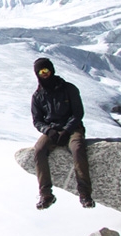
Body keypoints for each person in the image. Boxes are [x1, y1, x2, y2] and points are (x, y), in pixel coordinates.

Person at [31, 57, 94, 210]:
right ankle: (46, 194)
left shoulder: (69, 89)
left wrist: (67, 130)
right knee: (39, 150)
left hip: (73, 129)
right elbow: (37, 120)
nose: (44, 74)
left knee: (78, 149)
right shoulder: (38, 96)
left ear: (52, 70)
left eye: (46, 70)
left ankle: (85, 194)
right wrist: (49, 131)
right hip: (52, 130)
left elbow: (78, 113)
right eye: (41, 72)